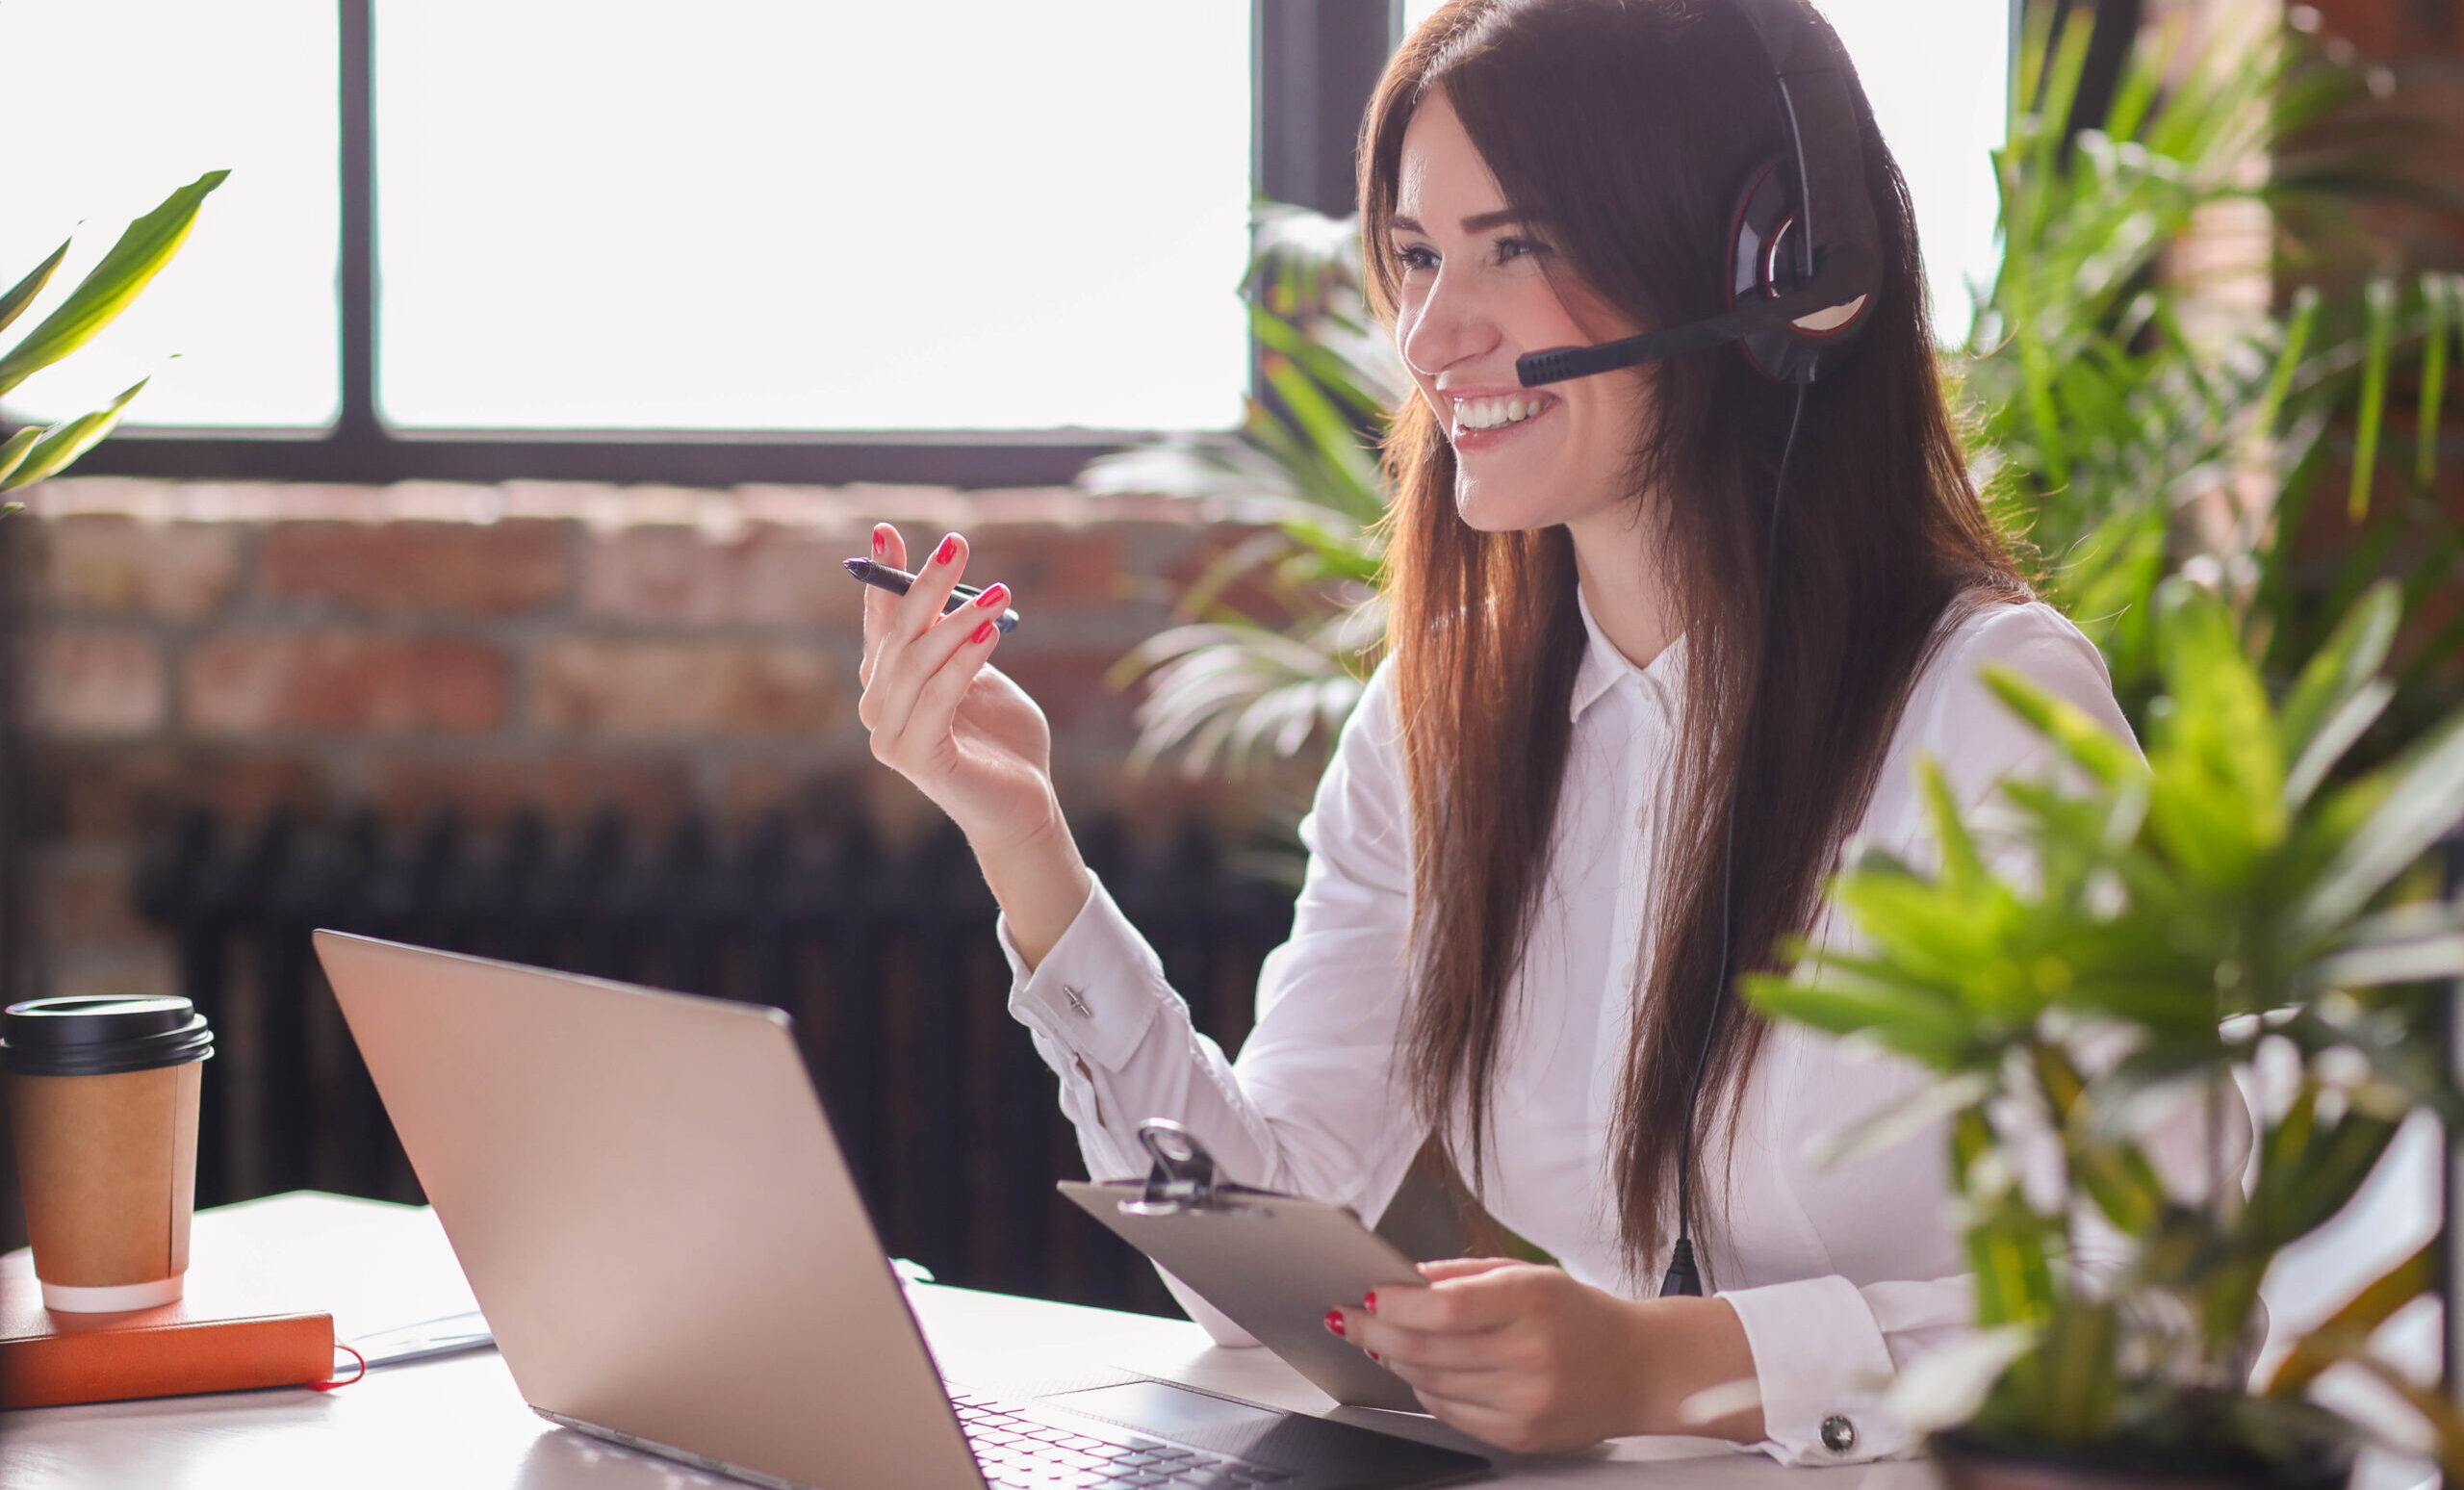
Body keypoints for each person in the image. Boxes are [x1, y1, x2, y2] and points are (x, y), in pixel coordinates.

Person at [854, 0, 2198, 1467]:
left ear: (1775, 280)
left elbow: (2167, 1314)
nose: (1431, 337)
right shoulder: (1441, 722)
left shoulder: (1987, 713)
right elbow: (1255, 1255)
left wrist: (1677, 1368)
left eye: (1517, 246)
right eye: (1420, 256)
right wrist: (1025, 848)